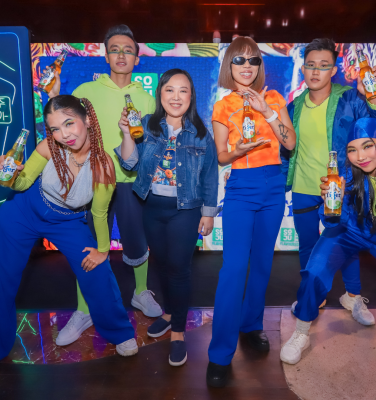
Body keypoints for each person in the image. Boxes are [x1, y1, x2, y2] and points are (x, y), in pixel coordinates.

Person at [47, 25, 162, 346]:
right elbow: (64, 124)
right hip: (92, 180)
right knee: (89, 246)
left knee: (137, 242)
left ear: (137, 58)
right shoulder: (86, 91)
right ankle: (84, 309)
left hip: (131, 182)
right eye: (115, 49)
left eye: (128, 49)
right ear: (106, 56)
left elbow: (152, 144)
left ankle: (141, 292)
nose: (121, 54)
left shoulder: (146, 98)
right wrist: (54, 95)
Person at [0, 95, 138, 360]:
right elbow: (21, 184)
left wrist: (102, 251)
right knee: (2, 277)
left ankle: (120, 332)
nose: (64, 135)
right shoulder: (49, 146)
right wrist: (9, 175)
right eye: (55, 128)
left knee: (98, 271)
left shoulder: (103, 165)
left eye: (69, 123)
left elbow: (99, 213)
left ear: (87, 120)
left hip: (67, 221)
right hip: (23, 212)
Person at [281, 38, 376, 325]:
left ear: (334, 70)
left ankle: (353, 297)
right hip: (304, 189)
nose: (315, 71)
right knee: (308, 246)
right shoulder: (293, 106)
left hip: (343, 190)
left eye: (323, 65)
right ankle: (314, 297)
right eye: (310, 65)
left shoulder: (350, 98)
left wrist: (372, 98)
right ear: (303, 68)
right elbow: (287, 150)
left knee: (347, 246)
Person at [206, 36, 297, 387]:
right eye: (239, 60)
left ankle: (251, 325)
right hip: (242, 188)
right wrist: (238, 150)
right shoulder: (223, 106)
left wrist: (267, 112)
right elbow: (220, 156)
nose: (246, 66)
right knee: (233, 269)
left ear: (260, 65)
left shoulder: (274, 98)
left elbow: (290, 143)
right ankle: (219, 354)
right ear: (228, 66)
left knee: (261, 264)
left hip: (273, 186)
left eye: (253, 60)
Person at [116, 69, 219, 366]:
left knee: (179, 269)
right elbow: (129, 163)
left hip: (185, 210)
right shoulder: (147, 125)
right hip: (151, 207)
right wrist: (126, 133)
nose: (176, 96)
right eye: (169, 90)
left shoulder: (201, 134)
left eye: (183, 90)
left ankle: (177, 332)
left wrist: (208, 213)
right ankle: (170, 312)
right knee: (162, 264)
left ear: (191, 96)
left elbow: (210, 176)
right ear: (160, 93)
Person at [280, 118, 376, 365]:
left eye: (368, 146)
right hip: (352, 230)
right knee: (314, 272)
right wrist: (332, 203)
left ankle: (351, 298)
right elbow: (334, 224)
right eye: (352, 150)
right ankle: (301, 332)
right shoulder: (344, 176)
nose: (361, 157)